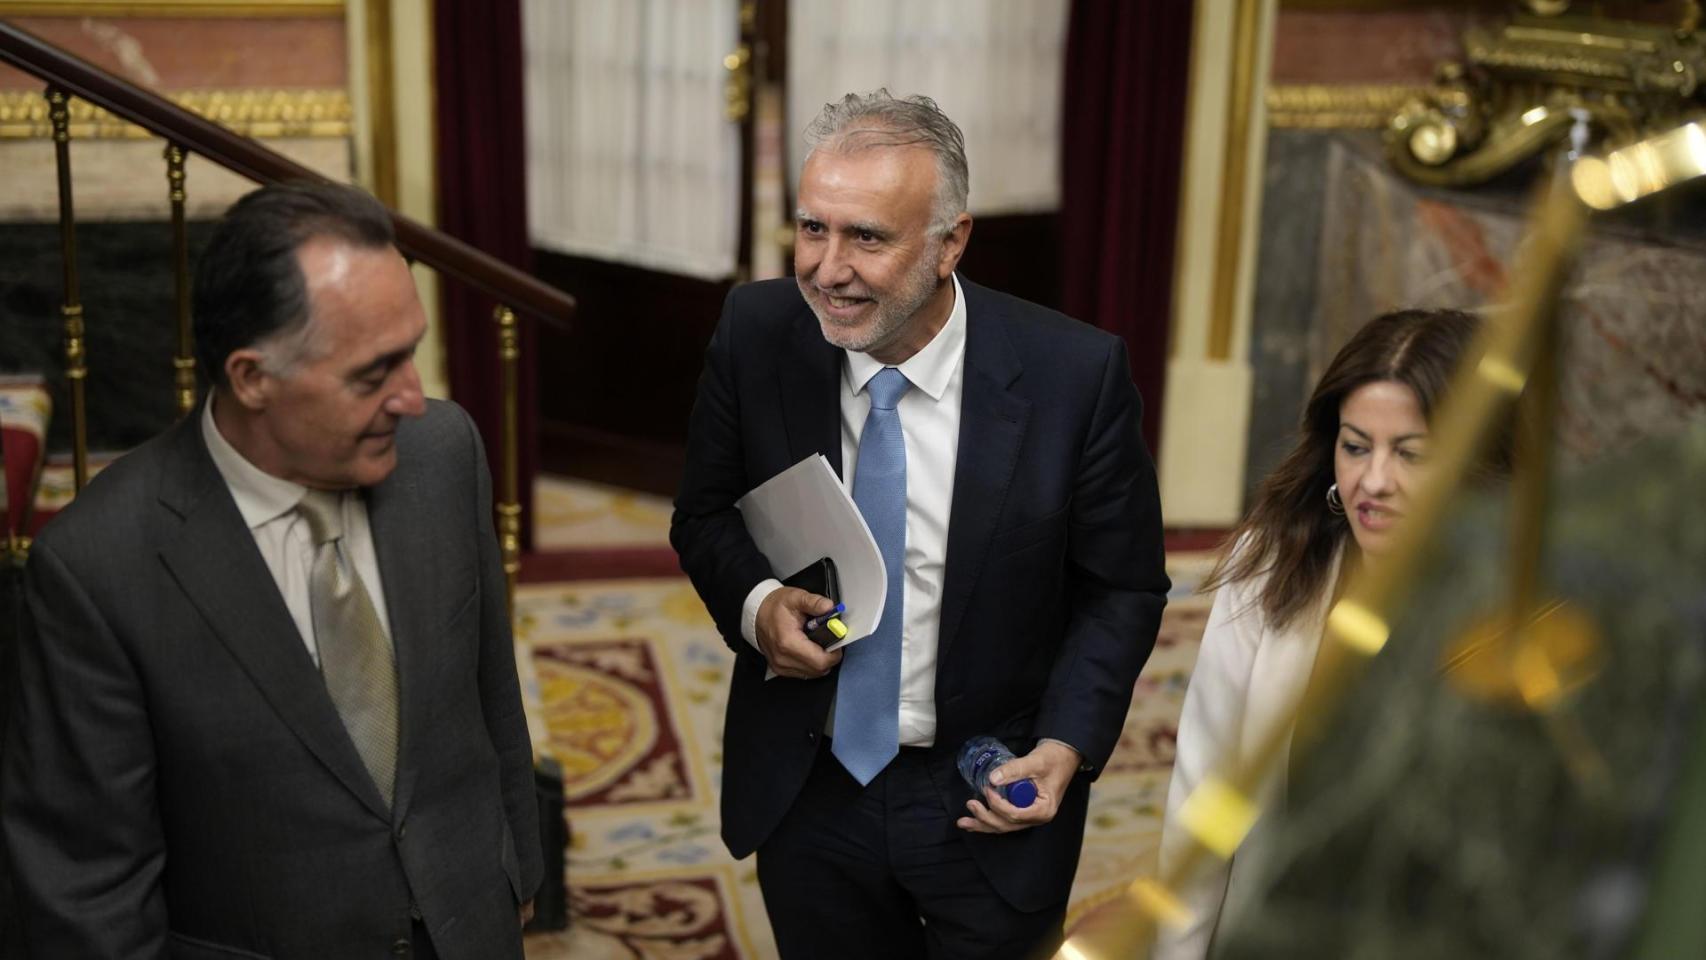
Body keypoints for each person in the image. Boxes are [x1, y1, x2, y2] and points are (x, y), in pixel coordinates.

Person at [670, 90, 1170, 959]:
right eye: (812, 228)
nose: (827, 269)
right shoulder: (756, 332)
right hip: (810, 782)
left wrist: (1064, 744)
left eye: (867, 238)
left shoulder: (1072, 377)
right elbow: (705, 515)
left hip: (986, 789)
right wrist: (757, 606)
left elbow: (1121, 587)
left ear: (951, 243)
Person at [2, 182, 542, 959]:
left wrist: (518, 876)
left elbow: (492, 694)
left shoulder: (444, 456)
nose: (413, 399)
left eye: (412, 352)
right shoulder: (98, 569)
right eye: (373, 374)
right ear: (253, 378)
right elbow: (86, 892)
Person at [1156, 308, 1494, 958]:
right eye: (1356, 446)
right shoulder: (1272, 564)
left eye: (1411, 454)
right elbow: (1203, 799)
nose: (1373, 482)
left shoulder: (1521, 605)